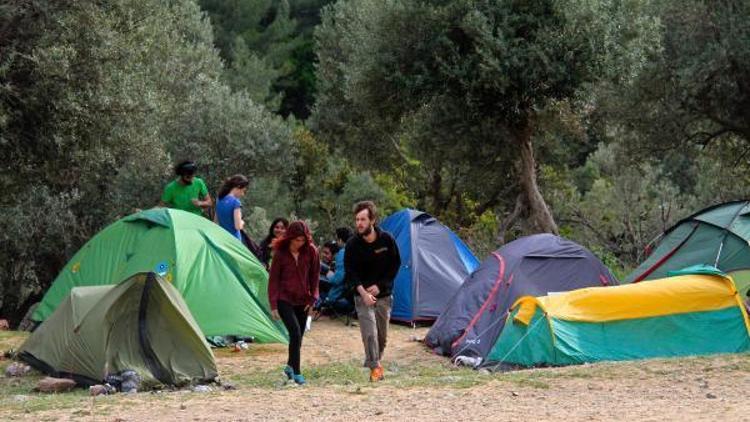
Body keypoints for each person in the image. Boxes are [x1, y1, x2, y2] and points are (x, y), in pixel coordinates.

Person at [344, 201, 400, 382]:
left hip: (383, 295)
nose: (359, 223)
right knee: (370, 332)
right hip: (362, 295)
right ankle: (375, 367)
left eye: (363, 219)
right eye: (357, 219)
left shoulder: (387, 240)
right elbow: (350, 273)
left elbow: (395, 265)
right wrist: (363, 293)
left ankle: (375, 359)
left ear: (372, 220)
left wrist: (380, 286)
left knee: (381, 337)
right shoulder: (352, 245)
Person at [268, 221, 320, 385]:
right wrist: (274, 305)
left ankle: (290, 366)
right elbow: (273, 280)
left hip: (303, 300)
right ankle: (297, 373)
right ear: (289, 238)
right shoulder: (280, 253)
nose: (299, 243)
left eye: (302, 240)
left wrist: (313, 299)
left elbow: (315, 277)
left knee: (299, 337)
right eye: (296, 240)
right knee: (295, 332)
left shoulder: (311, 251)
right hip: (284, 299)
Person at [214, 175, 249, 240]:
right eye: (243, 191)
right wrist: (242, 222)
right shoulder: (236, 202)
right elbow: (238, 226)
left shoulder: (219, 199)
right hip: (234, 240)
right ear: (238, 187)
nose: (243, 194)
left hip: (222, 238)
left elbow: (215, 221)